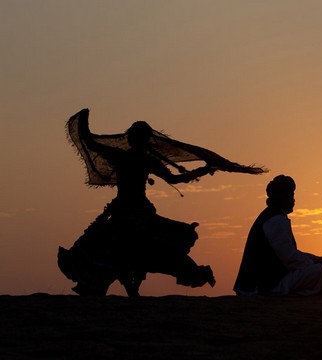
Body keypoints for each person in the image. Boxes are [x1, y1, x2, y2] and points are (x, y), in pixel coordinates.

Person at [58, 108, 266, 296]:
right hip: (131, 211)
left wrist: (84, 125)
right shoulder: (140, 159)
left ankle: (130, 287)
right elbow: (175, 179)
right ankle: (129, 287)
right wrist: (203, 170)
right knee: (135, 248)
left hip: (130, 211)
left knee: (129, 248)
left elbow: (91, 143)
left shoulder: (127, 158)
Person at [233, 175, 322, 296]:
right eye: (290, 196)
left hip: (262, 283)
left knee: (315, 268)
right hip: (261, 286)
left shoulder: (271, 216)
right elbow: (289, 258)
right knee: (317, 271)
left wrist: (316, 259)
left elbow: (290, 252)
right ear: (281, 197)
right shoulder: (276, 219)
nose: (293, 200)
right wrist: (315, 263)